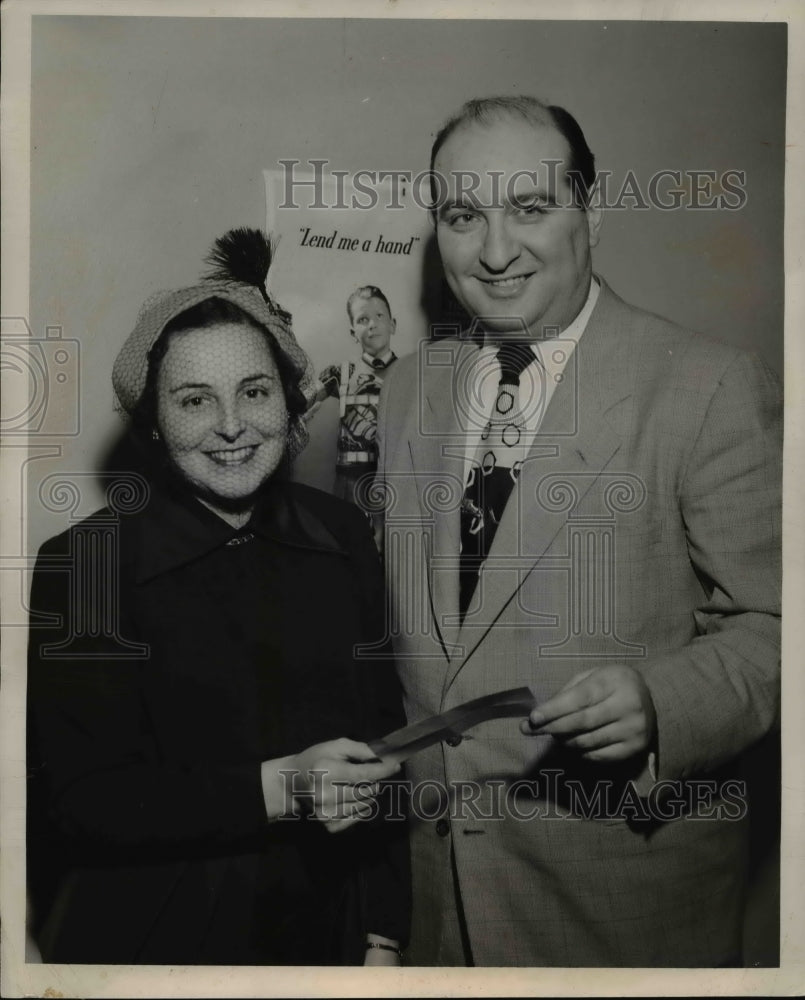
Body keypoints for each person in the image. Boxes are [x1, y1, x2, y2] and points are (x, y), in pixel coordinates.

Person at [376, 97, 781, 966]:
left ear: (590, 215)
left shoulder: (707, 386)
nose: (494, 250)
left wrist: (662, 703)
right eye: (463, 216)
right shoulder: (408, 387)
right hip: (436, 912)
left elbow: (777, 623)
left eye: (529, 207)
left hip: (620, 921)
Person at [26, 229, 409, 966]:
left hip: (328, 934)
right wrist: (281, 788)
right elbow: (80, 804)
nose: (232, 426)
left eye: (255, 392)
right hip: (158, 940)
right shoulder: (85, 564)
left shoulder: (340, 535)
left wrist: (383, 934)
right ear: (153, 423)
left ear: (290, 403)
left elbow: (385, 742)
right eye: (195, 400)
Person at [313, 285, 398, 506]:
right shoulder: (341, 374)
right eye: (363, 319)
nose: (372, 324)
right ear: (353, 333)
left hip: (393, 484)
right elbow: (301, 401)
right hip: (348, 486)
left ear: (393, 325)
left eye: (379, 316)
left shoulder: (409, 374)